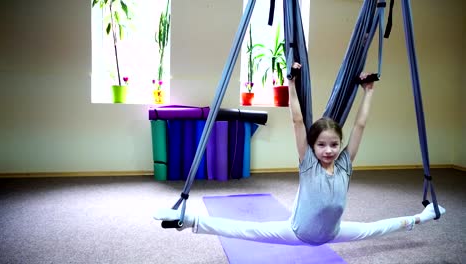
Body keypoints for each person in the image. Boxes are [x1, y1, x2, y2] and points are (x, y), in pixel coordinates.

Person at [153, 62, 445, 246]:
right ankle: (188, 219)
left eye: (333, 145)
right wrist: (291, 84)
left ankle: (423, 216)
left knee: (374, 229)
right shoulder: (309, 164)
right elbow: (296, 121)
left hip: (334, 232)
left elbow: (360, 125)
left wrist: (368, 91)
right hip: (296, 232)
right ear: (312, 146)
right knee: (247, 231)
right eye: (321, 145)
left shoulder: (345, 165)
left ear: (340, 146)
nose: (328, 150)